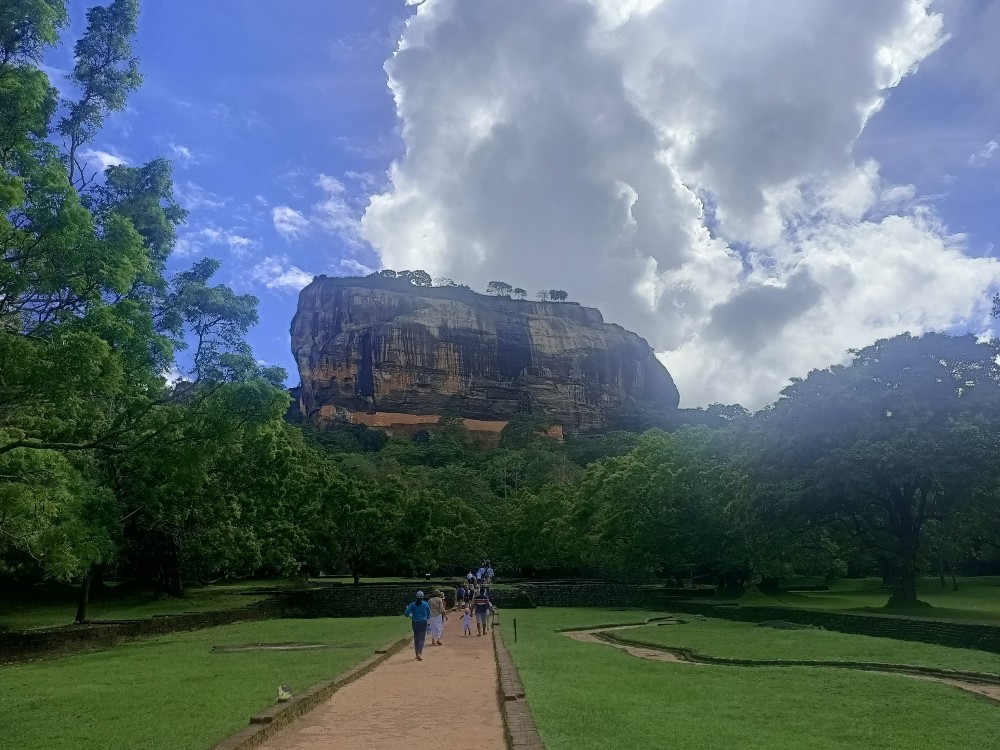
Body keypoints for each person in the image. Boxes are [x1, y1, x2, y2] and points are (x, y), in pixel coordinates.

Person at [404, 590, 431, 660]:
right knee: (422, 638)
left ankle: (416, 653)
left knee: (416, 637)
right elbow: (429, 614)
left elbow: (406, 614)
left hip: (415, 622)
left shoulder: (412, 604)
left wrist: (411, 615)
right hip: (423, 622)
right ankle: (419, 653)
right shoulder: (425, 604)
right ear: (423, 597)